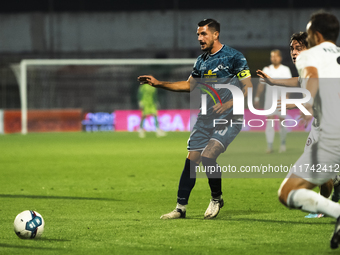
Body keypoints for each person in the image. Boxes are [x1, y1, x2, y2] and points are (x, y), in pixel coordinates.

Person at [138, 19, 252, 219]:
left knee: (209, 155)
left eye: (204, 34)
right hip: (205, 117)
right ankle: (180, 208)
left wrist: (227, 105)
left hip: (230, 116)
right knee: (191, 161)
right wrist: (158, 84)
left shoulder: (234, 57)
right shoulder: (201, 61)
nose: (200, 38)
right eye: (198, 34)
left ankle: (216, 198)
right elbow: (189, 86)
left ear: (216, 34)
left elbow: (249, 87)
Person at [276, 11, 340, 249]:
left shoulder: (308, 57)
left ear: (316, 34)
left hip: (332, 133)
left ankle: (335, 210)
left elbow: (310, 79)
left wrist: (304, 99)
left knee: (287, 192)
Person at [257, 32, 337, 219]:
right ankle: (328, 201)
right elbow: (299, 82)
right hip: (319, 127)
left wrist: (300, 104)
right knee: (321, 176)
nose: (294, 52)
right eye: (292, 48)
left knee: (294, 188)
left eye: (298, 48)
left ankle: (327, 206)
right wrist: (273, 81)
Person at [254, 50, 292, 153]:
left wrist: (287, 98)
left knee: (282, 122)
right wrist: (257, 97)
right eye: (272, 56)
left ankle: (283, 144)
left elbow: (289, 84)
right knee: (269, 122)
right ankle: (270, 146)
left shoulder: (285, 70)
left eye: (276, 56)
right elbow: (261, 84)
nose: (274, 58)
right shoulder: (266, 69)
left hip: (281, 100)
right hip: (270, 100)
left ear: (280, 58)